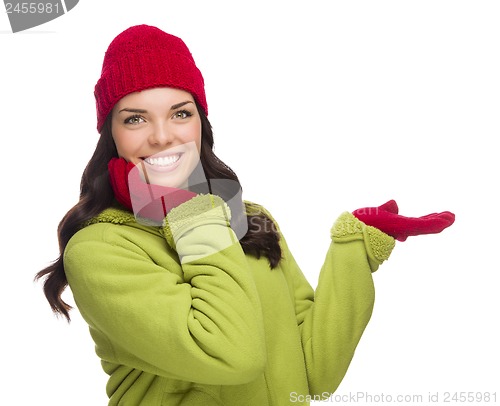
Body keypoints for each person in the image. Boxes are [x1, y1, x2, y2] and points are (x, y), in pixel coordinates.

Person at [35, 24, 455, 406]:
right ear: (111, 133)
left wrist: (355, 247)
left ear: (201, 122)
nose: (162, 135)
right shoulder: (100, 248)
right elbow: (231, 355)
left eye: (181, 113)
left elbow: (312, 374)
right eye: (136, 119)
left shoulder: (250, 220)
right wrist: (189, 209)